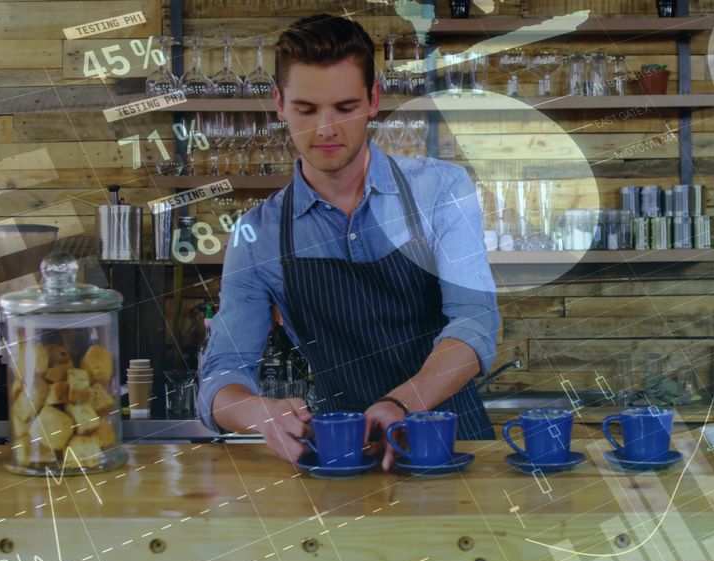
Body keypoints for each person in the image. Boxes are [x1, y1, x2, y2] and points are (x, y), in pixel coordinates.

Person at [196, 14, 499, 471]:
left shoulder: (440, 190)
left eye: (344, 107)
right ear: (279, 104)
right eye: (306, 109)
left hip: (453, 442)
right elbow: (221, 371)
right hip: (339, 454)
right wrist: (258, 413)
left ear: (374, 100)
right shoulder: (256, 234)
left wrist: (399, 404)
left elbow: (475, 321)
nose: (325, 129)